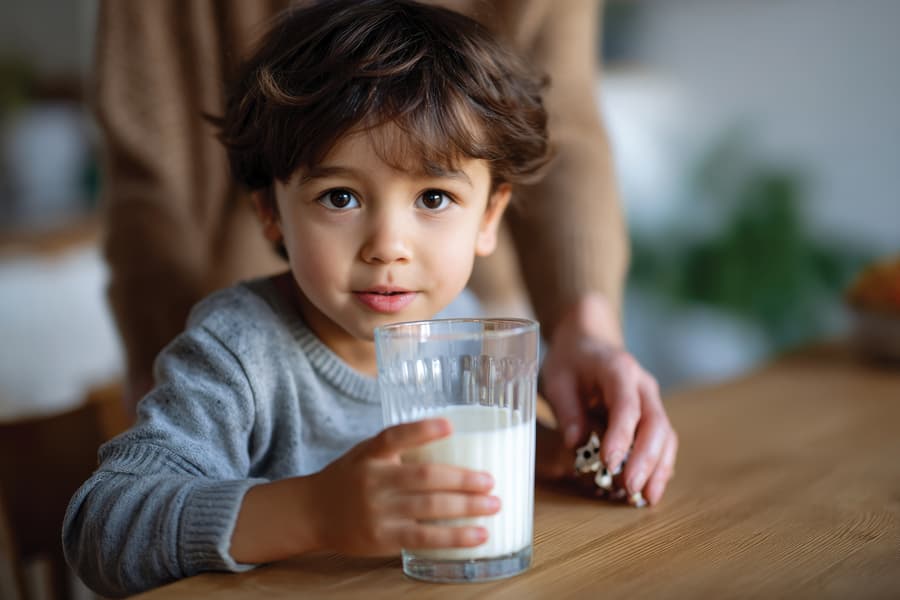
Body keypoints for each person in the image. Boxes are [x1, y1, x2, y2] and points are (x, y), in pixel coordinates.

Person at [66, 3, 672, 596]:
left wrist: (570, 451)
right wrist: (313, 513)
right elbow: (103, 527)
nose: (388, 248)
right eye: (339, 198)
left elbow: (474, 464)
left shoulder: (462, 333)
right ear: (270, 213)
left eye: (433, 198)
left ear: (490, 216)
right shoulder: (236, 353)